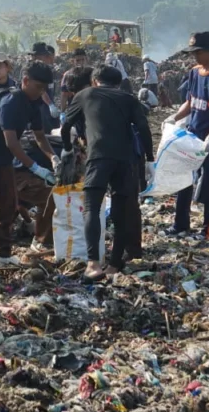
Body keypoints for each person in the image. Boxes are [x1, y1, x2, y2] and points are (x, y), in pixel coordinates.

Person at [62, 65, 153, 280]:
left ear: (95, 81)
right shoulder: (129, 98)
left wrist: (67, 149)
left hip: (98, 157)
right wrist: (150, 160)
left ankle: (93, 264)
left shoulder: (85, 94)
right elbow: (144, 128)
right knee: (121, 211)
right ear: (119, 83)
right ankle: (113, 265)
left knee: (92, 208)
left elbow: (67, 126)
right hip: (125, 160)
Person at [0, 62, 56, 268]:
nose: (41, 92)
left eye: (44, 88)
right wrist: (37, 169)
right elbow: (12, 143)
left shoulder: (34, 104)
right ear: (25, 81)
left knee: (8, 202)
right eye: (38, 87)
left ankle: (3, 253)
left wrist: (53, 158)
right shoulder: (10, 102)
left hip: (3, 156)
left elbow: (40, 137)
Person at [165, 32, 209, 239]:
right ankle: (180, 224)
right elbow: (191, 101)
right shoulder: (194, 72)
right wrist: (174, 118)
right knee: (184, 178)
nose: (194, 56)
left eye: (198, 52)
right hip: (192, 133)